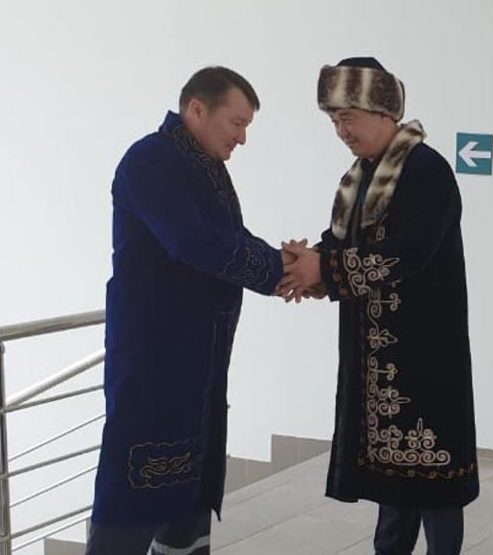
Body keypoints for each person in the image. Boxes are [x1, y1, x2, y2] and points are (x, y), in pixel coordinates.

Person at [277, 57, 478, 555]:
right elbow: (343, 243)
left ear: (385, 112)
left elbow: (407, 252)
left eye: (348, 117)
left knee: (435, 485)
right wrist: (311, 262)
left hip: (425, 360)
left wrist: (324, 269)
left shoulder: (426, 170)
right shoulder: (361, 175)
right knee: (393, 487)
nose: (341, 131)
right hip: (378, 363)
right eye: (334, 120)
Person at [87, 66, 290, 555]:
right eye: (236, 123)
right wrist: (281, 269)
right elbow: (194, 242)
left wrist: (282, 263)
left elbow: (230, 239)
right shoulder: (151, 160)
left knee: (189, 502)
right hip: (154, 365)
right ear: (197, 109)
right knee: (133, 501)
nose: (242, 138)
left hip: (200, 364)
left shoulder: (205, 165)